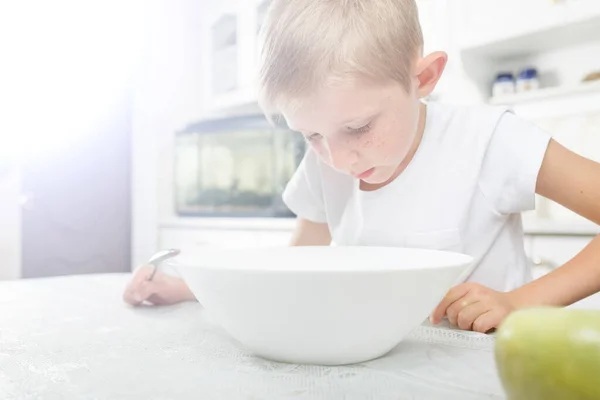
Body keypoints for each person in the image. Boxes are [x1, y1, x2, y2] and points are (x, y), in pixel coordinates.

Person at [124, 0, 600, 333]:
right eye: (310, 134)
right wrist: (191, 288)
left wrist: (520, 303)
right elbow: (297, 270)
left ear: (424, 78)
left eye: (357, 127)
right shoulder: (324, 163)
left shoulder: (488, 140)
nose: (337, 158)